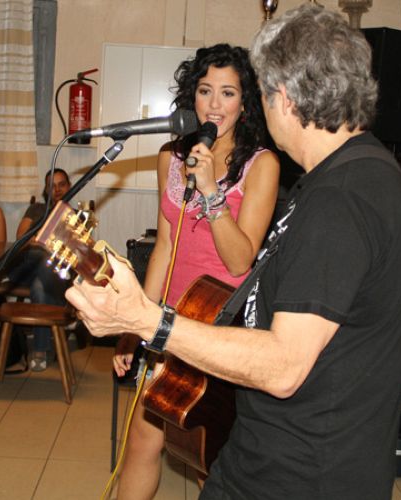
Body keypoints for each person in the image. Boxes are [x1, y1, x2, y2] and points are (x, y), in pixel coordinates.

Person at [66, 5, 401, 500]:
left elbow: (282, 365)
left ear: (284, 97)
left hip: (301, 476)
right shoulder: (354, 176)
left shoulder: (341, 198)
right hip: (282, 461)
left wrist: (150, 323)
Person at [110, 43, 280, 500]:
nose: (215, 104)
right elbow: (164, 247)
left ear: (245, 104)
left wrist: (212, 192)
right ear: (192, 98)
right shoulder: (170, 157)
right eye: (205, 91)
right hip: (167, 320)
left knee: (210, 454)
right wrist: (134, 325)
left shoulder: (262, 165)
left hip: (220, 326)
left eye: (228, 93)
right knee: (144, 439)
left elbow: (241, 260)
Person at [3, 169, 72, 372]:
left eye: (61, 184)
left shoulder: (73, 216)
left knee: (40, 286)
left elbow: (71, 253)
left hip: (52, 273)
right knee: (43, 257)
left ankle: (40, 349)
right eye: (52, 185)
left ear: (69, 186)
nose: (57, 189)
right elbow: (21, 239)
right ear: (45, 189)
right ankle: (59, 306)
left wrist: (41, 244)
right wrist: (46, 246)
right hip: (24, 267)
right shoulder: (36, 209)